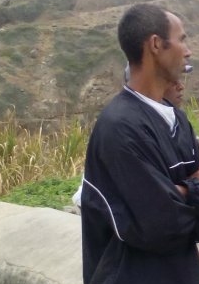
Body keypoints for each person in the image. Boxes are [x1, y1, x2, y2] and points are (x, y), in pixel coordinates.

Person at [81, 4, 199, 284]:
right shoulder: (120, 128)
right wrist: (193, 190)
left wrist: (184, 193)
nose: (188, 50)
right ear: (155, 45)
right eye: (181, 40)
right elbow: (156, 224)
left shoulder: (177, 122)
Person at [72, 65, 191, 209]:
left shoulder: (176, 120)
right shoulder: (124, 127)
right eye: (172, 81)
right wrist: (191, 188)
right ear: (149, 83)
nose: (181, 86)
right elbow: (150, 196)